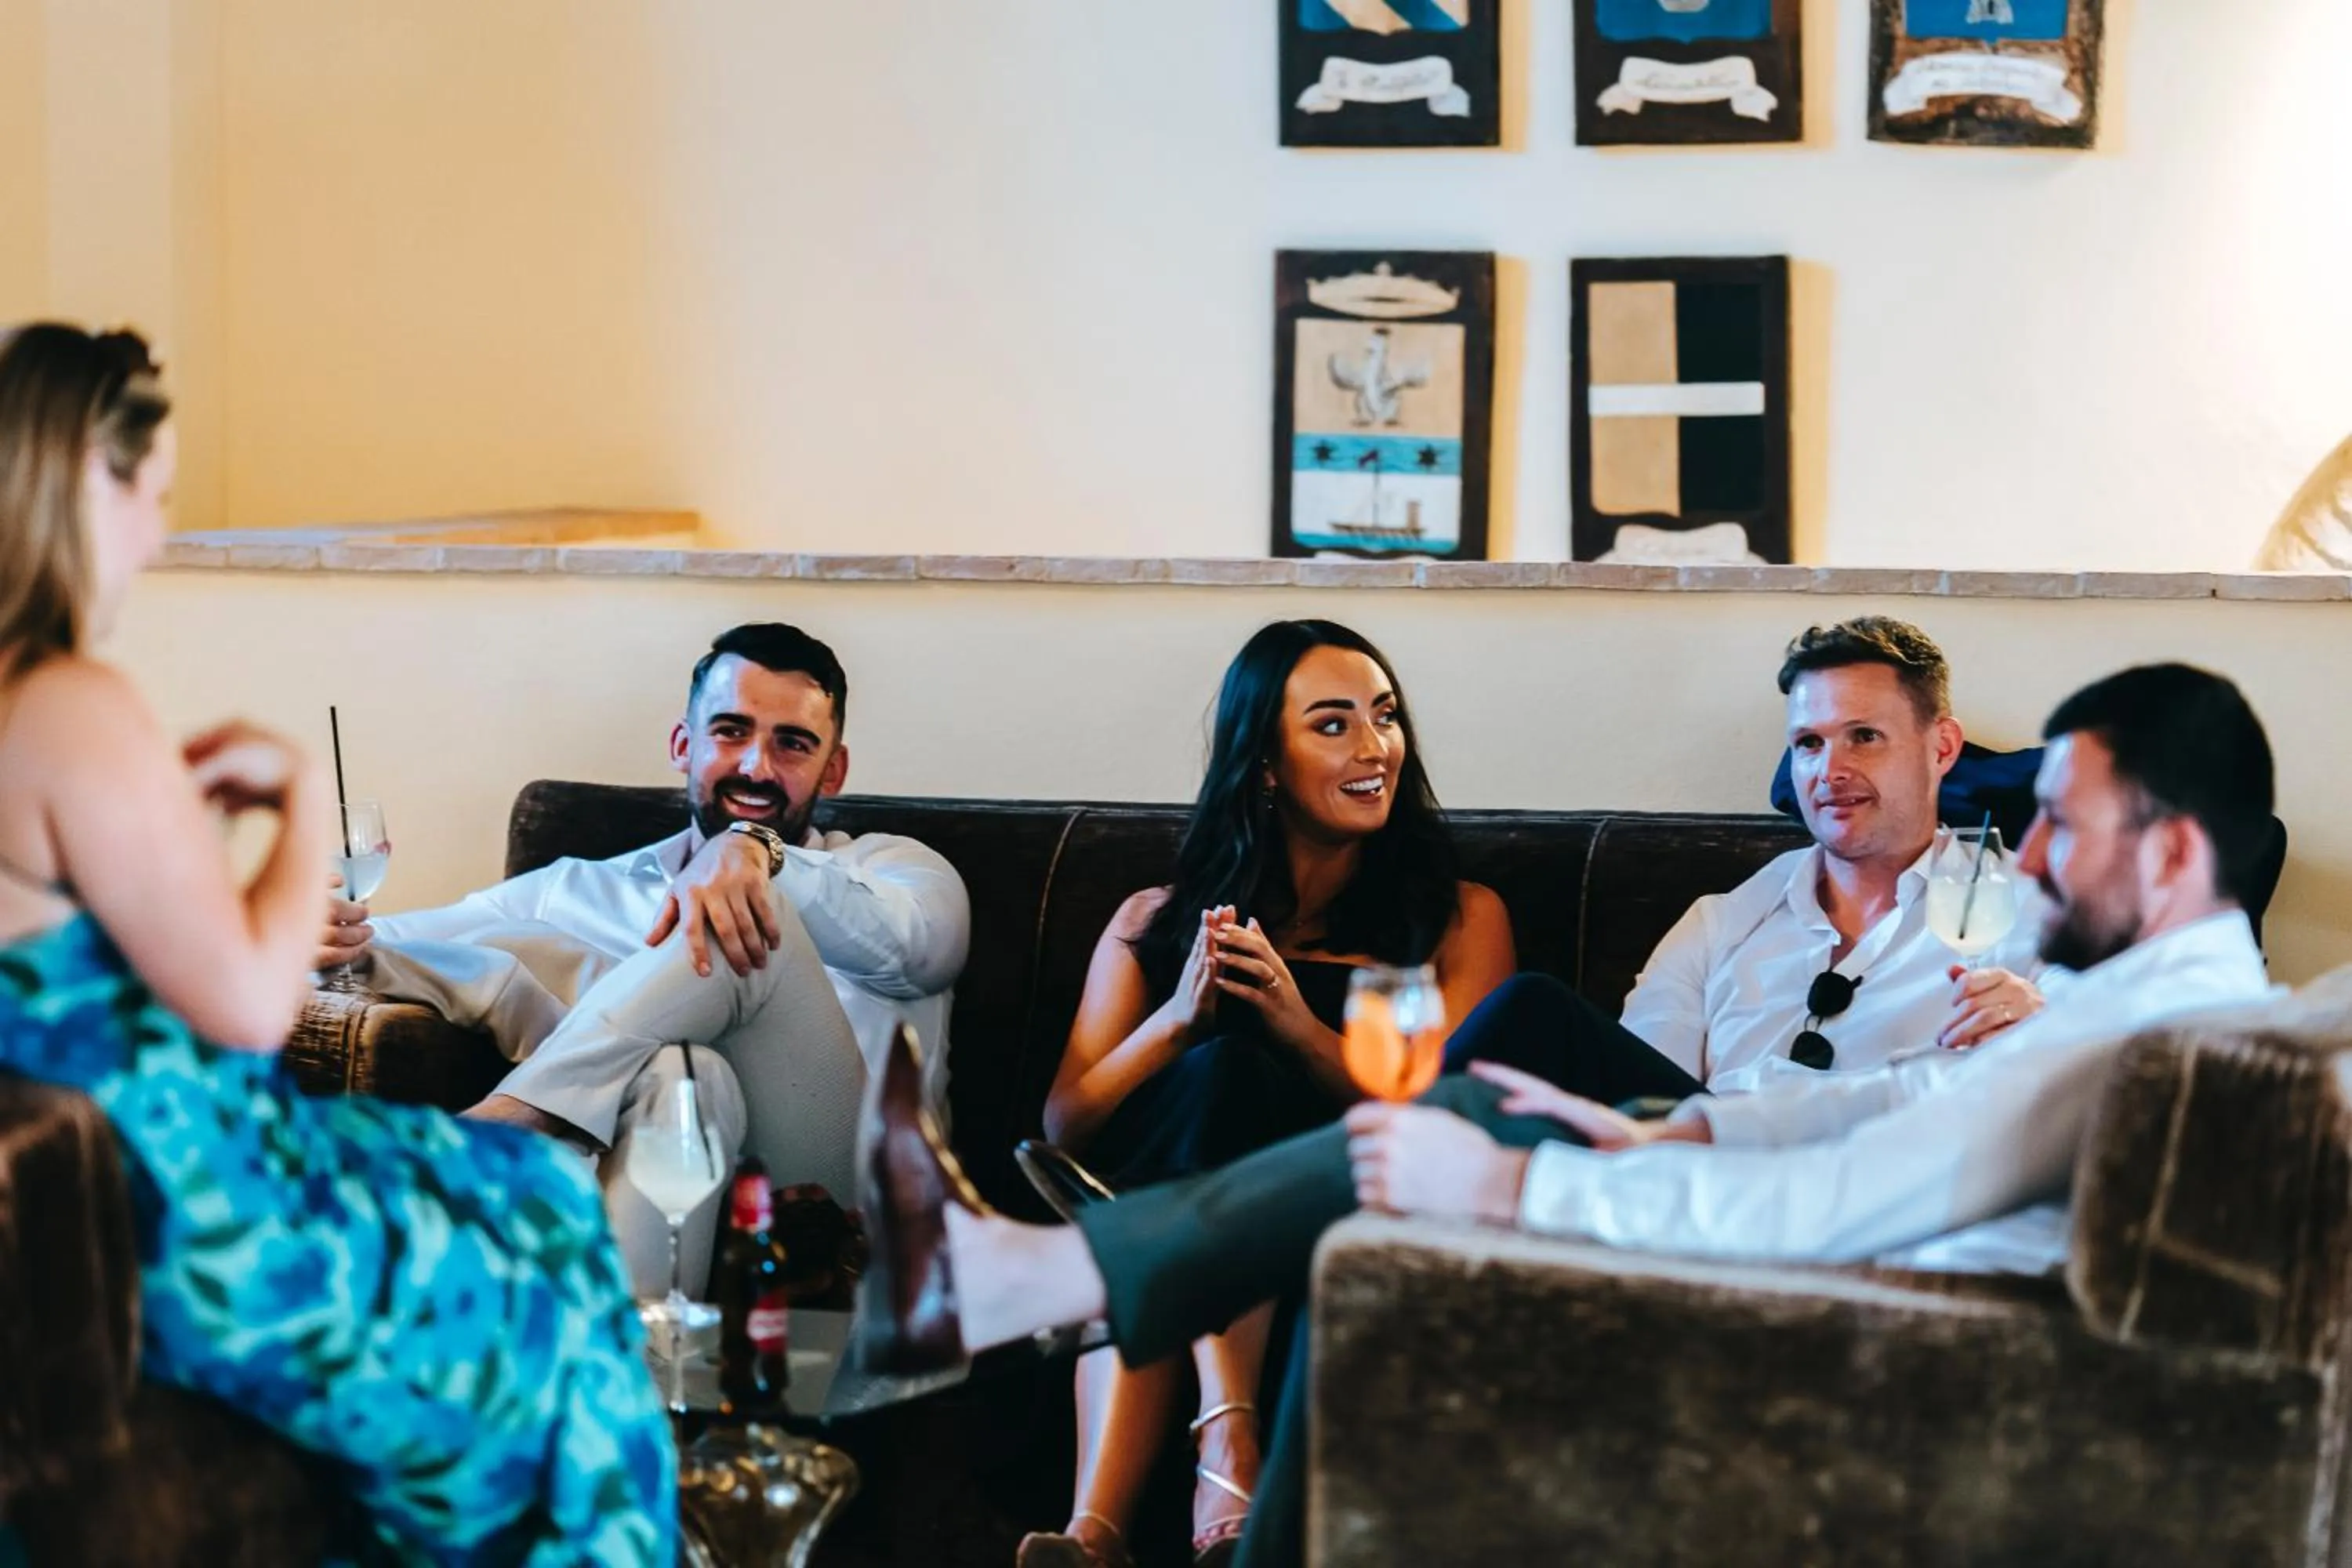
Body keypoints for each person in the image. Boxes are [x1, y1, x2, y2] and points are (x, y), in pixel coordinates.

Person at [858, 660, 2281, 1568]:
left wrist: (1521, 1193)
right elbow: (1905, 1103)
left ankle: (1047, 1272)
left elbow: (1845, 1205)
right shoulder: (2154, 1009)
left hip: (1848, 1315)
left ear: (2164, 850)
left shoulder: (2119, 1032)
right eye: (1810, 741)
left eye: (2057, 823)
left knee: (1452, 1144)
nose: (2022, 850)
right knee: (1460, 1133)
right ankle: (1077, 1309)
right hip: (1777, 1215)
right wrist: (1675, 1133)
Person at [0, 322, 673, 1560]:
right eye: (151, 496)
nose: (155, 533)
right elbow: (253, 1012)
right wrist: (300, 803)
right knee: (546, 1221)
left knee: (528, 1189)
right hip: (202, 1210)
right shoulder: (66, 703)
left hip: (115, 1188)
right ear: (81, 483)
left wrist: (186, 870)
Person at [1021, 619, 1516, 1568]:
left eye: (1385, 716)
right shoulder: (1153, 921)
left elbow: (1444, 1119)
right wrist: (1178, 1017)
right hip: (1158, 1186)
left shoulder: (1458, 919)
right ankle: (1190, 1469)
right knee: (1210, 1085)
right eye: (1333, 724)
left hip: (1342, 1203)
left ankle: (1119, 1515)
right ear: (1265, 765)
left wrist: (1294, 1021)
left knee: (1215, 1119)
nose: (1374, 747)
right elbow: (1064, 1123)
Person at [322, 621, 971, 1298]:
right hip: (675, 1194)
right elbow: (393, 939)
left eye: (792, 744)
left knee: (744, 904)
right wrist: (305, 936)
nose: (755, 765)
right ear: (683, 745)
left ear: (832, 769)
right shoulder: (574, 887)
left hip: (842, 1211)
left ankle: (500, 1135)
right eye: (730, 731)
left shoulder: (897, 873)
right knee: (677, 1068)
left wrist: (753, 852)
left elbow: (924, 952)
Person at [1425, 615, 2055, 1120]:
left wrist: (2046, 1025)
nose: (1829, 772)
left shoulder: (2031, 914)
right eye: (1809, 743)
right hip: (1708, 1181)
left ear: (1941, 747)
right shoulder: (1721, 922)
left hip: (1880, 1184)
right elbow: (1635, 1105)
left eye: (1863, 736)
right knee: (1528, 1022)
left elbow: (2099, 1081)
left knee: (1532, 1008)